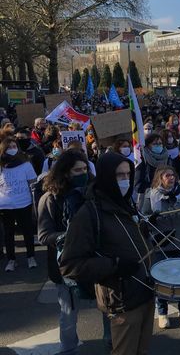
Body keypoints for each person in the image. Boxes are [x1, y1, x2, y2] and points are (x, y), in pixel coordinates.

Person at [59, 152, 155, 355]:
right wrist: (115, 265)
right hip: (122, 300)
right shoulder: (89, 213)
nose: (126, 181)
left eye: (128, 175)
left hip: (145, 293)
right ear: (106, 177)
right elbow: (70, 264)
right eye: (119, 175)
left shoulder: (126, 204)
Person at [37, 149, 94, 354]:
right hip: (66, 266)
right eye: (78, 170)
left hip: (95, 261)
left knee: (108, 307)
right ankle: (69, 349)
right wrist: (70, 236)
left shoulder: (92, 192)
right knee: (68, 312)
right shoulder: (50, 199)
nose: (84, 173)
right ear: (66, 173)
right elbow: (44, 235)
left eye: (85, 168)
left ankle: (112, 343)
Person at [141, 165, 180, 329]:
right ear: (160, 178)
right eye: (167, 175)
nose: (171, 178)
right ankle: (162, 313)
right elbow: (143, 220)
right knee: (162, 280)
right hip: (161, 243)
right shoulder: (150, 195)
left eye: (173, 175)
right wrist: (150, 221)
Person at [0, 137, 38, 271]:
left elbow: (32, 183)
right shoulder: (1, 166)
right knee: (8, 233)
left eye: (14, 146)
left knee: (27, 231)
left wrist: (35, 203)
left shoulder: (26, 164)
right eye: (9, 147)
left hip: (24, 203)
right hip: (5, 205)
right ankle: (11, 259)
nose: (12, 149)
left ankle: (30, 256)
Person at [134, 133, 171, 206]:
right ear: (148, 145)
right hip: (148, 201)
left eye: (160, 143)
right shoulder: (143, 161)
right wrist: (157, 187)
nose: (158, 146)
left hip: (167, 199)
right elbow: (138, 186)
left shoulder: (168, 159)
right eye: (155, 144)